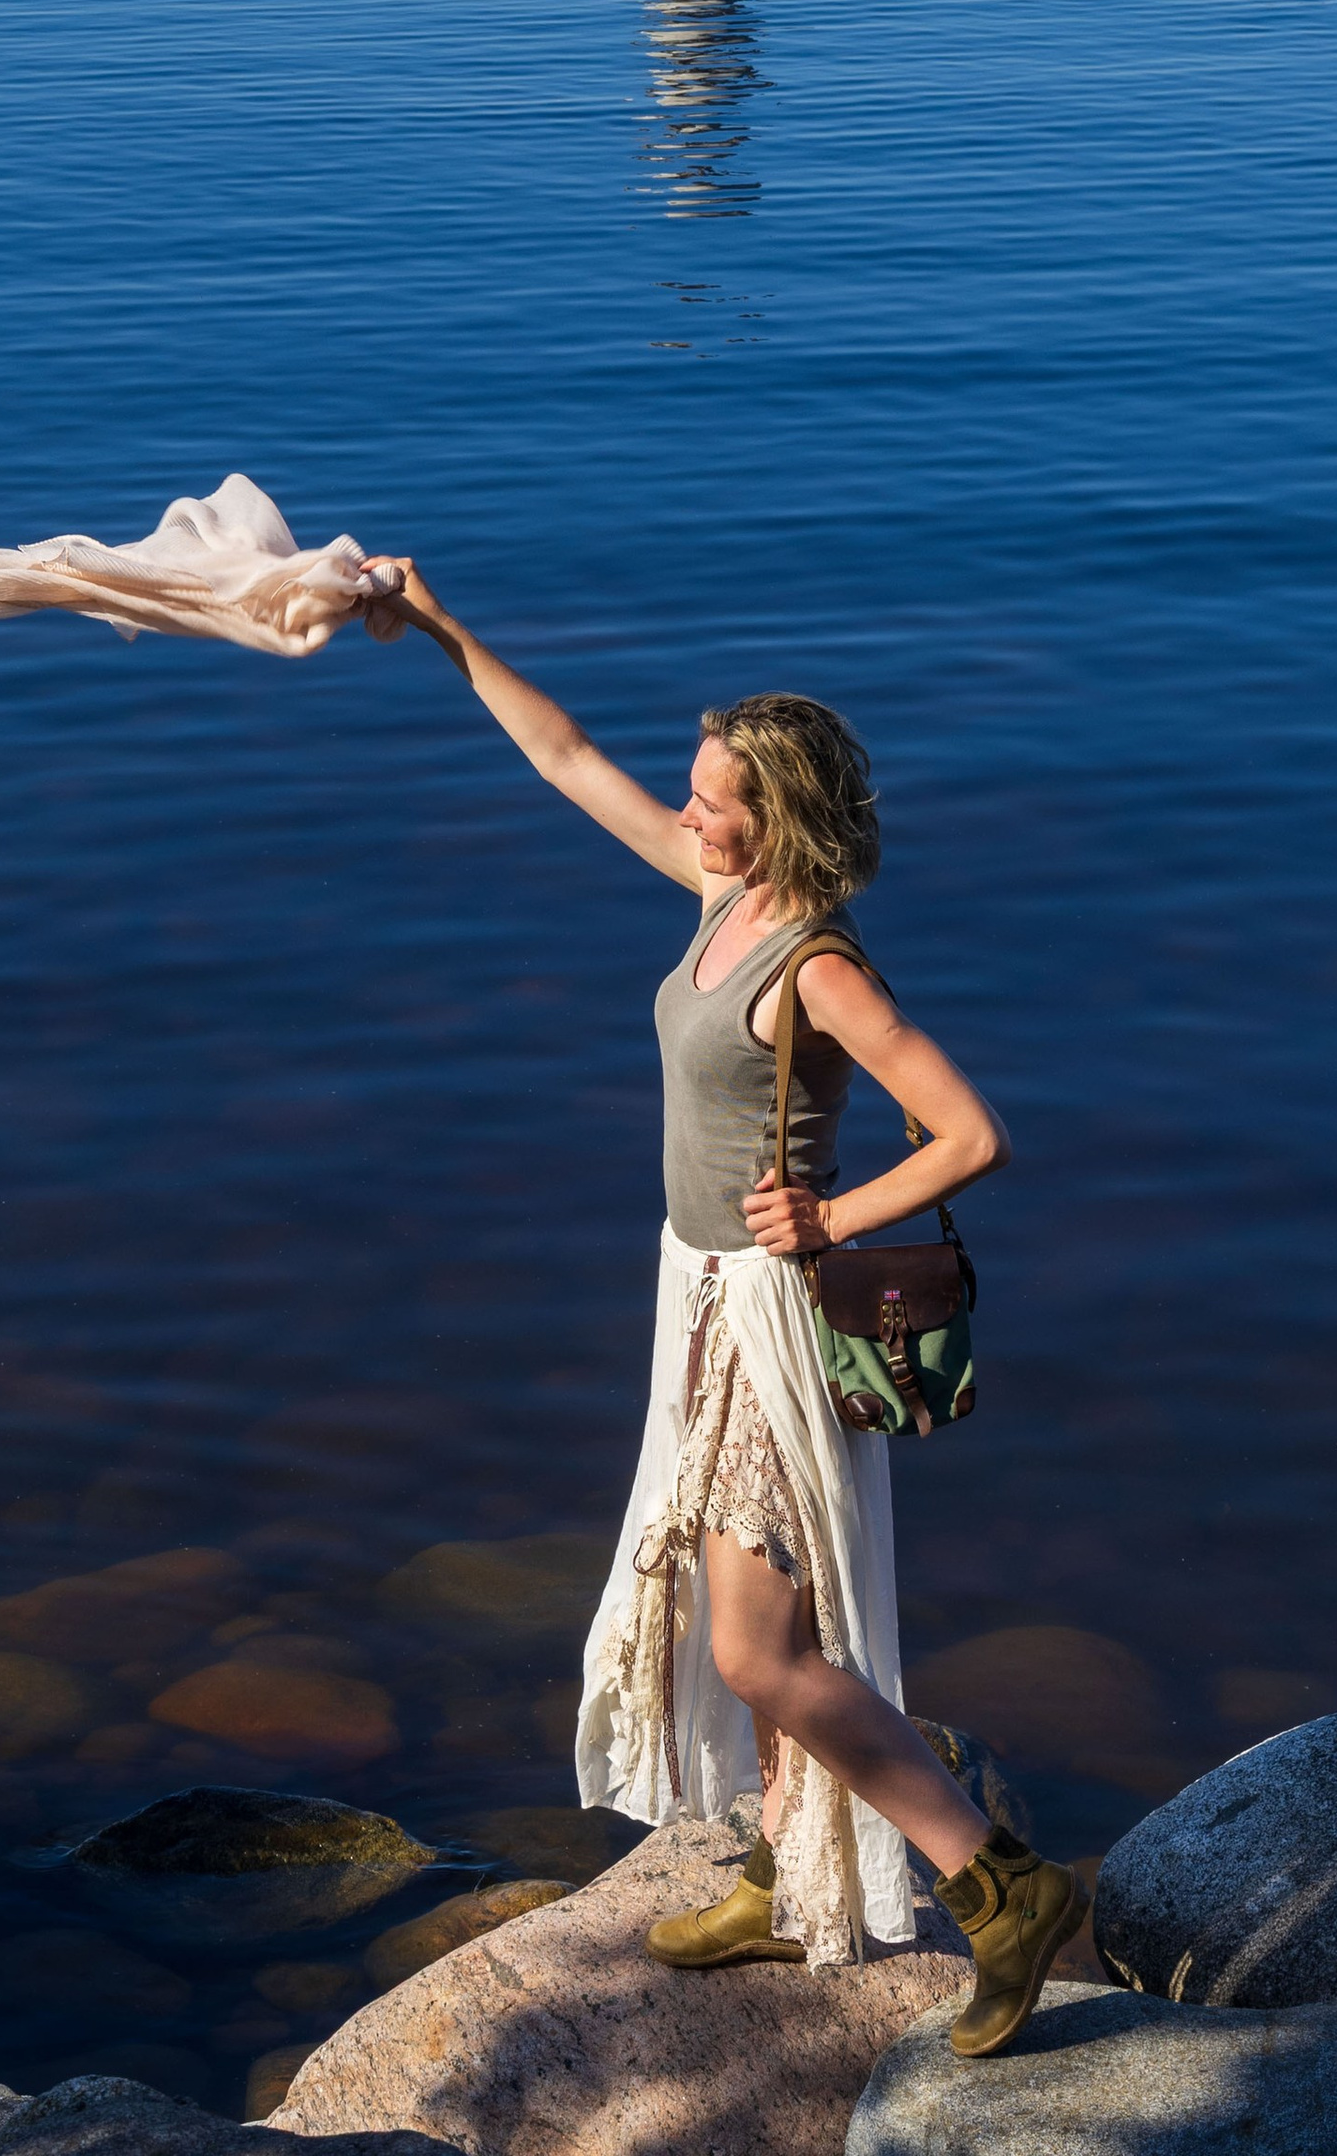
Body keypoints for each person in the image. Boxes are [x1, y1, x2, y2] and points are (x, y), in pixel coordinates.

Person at [354, 557, 1088, 2056]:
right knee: (729, 1610)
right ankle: (782, 1870)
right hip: (690, 1294)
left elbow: (972, 1133)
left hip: (770, 1318)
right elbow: (568, 758)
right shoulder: (722, 899)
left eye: (713, 800)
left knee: (759, 1649)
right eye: (690, 793)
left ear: (779, 819)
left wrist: (831, 1214)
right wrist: (439, 631)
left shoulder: (818, 968)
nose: (687, 813)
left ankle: (1000, 1886)